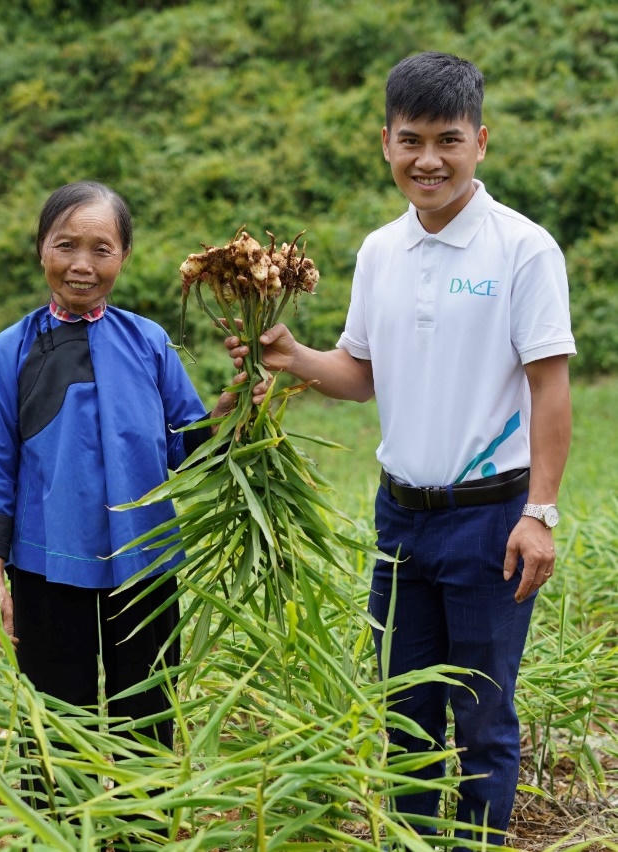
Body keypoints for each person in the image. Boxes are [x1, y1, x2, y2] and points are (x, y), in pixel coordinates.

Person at [225, 52, 575, 848]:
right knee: (404, 711)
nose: (428, 160)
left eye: (447, 140)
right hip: (400, 520)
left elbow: (549, 387)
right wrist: (291, 356)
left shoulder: (522, 249)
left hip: (490, 521)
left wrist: (540, 513)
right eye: (410, 140)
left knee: (481, 714)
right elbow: (359, 375)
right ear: (384, 141)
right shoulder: (380, 251)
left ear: (479, 141)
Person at [0, 180, 238, 806]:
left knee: (148, 716)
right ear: (41, 249)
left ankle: (142, 835)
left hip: (146, 563)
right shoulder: (9, 351)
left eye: (101, 249)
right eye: (66, 245)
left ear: (123, 257)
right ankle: (58, 833)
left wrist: (233, 406)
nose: (82, 264)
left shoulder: (149, 342)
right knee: (57, 726)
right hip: (47, 568)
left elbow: (189, 446)